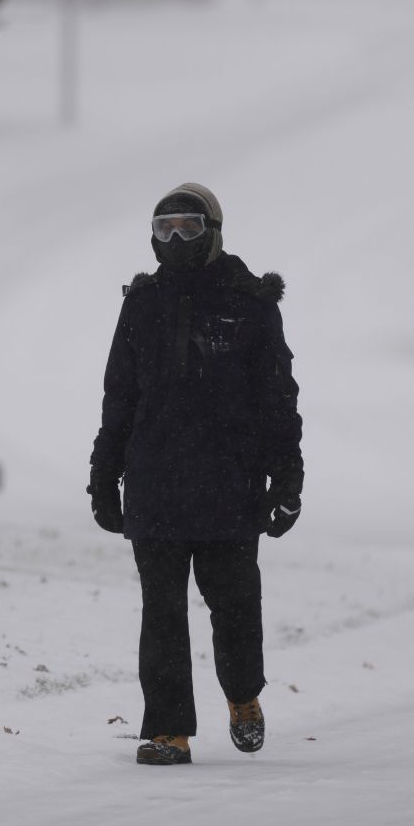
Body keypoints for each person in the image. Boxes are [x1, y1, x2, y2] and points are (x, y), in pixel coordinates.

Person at [88, 182, 304, 766]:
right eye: (164, 229)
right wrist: (104, 475)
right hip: (154, 484)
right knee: (162, 614)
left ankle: (242, 696)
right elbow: (119, 398)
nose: (176, 239)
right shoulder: (141, 303)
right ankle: (168, 731)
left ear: (213, 231)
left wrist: (287, 481)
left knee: (233, 607)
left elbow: (277, 400)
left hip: (228, 486)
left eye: (188, 226)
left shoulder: (250, 302)